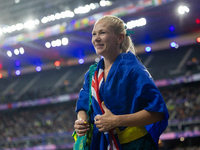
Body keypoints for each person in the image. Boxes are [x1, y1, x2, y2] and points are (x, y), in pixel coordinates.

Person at [74, 15, 169, 150]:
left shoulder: (133, 69)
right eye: (94, 34)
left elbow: (157, 112)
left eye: (103, 32)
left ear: (120, 38)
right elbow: (83, 105)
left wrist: (117, 120)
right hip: (102, 144)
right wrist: (81, 120)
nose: (96, 38)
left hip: (134, 146)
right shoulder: (92, 73)